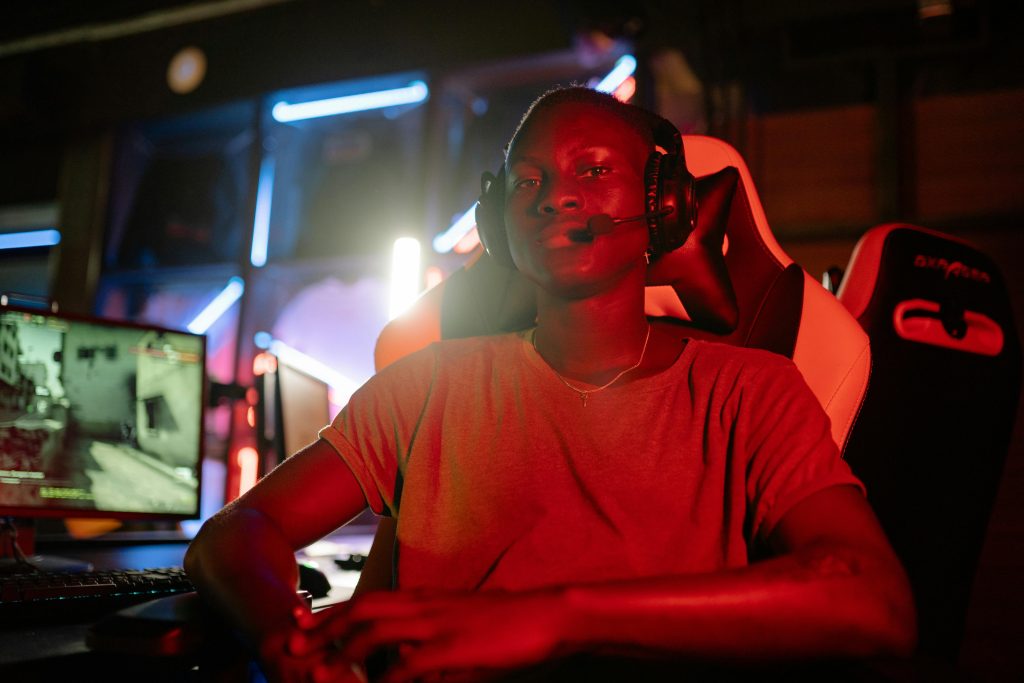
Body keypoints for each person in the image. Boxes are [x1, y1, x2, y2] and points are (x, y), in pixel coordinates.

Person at [185, 87, 916, 682]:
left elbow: (876, 602)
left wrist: (558, 616)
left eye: (593, 170)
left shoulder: (752, 391)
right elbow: (238, 531)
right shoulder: (427, 383)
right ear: (498, 225)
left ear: (664, 204)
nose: (553, 197)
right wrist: (282, 634)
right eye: (529, 180)